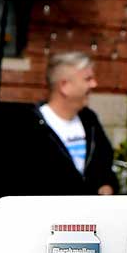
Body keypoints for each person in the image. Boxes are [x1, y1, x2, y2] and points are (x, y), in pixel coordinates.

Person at [19, 51, 118, 197]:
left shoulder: (89, 120)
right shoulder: (31, 126)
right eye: (87, 79)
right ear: (64, 86)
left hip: (89, 216)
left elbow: (104, 166)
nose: (94, 84)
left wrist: (107, 186)